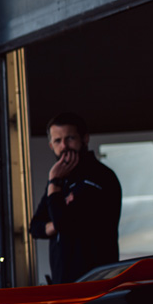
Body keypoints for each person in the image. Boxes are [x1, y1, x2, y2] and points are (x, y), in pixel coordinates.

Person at [27, 114, 122, 284]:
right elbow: (35, 227)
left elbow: (63, 223)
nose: (64, 146)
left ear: (84, 139)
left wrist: (54, 186)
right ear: (51, 145)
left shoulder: (100, 178)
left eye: (70, 138)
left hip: (95, 285)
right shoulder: (60, 180)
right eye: (57, 141)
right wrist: (56, 220)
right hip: (63, 286)